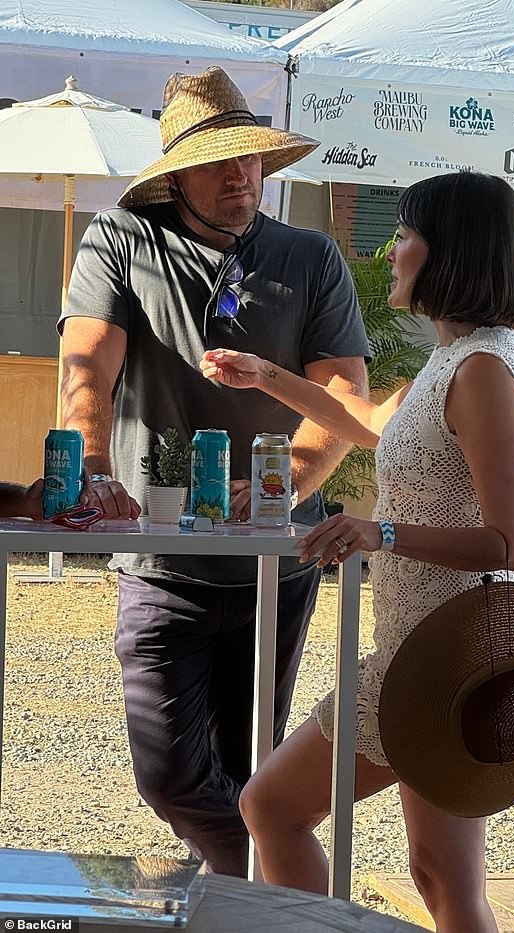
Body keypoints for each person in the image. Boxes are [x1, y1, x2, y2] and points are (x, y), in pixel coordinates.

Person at [200, 171, 514, 933]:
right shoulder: (460, 356)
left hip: (445, 656)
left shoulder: (484, 366)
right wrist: (268, 376)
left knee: (273, 807)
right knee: (443, 877)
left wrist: (377, 531)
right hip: (422, 650)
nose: (393, 249)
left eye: (406, 233)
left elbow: (512, 543)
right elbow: (367, 422)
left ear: (450, 250)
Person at [57, 67, 370, 877]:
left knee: (255, 763)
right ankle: (238, 872)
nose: (243, 175)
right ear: (174, 178)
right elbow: (85, 365)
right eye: (221, 161)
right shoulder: (122, 241)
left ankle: (233, 902)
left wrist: (284, 487)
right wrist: (92, 468)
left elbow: (345, 397)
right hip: (161, 558)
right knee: (165, 772)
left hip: (278, 562)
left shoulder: (310, 256)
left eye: (253, 159)